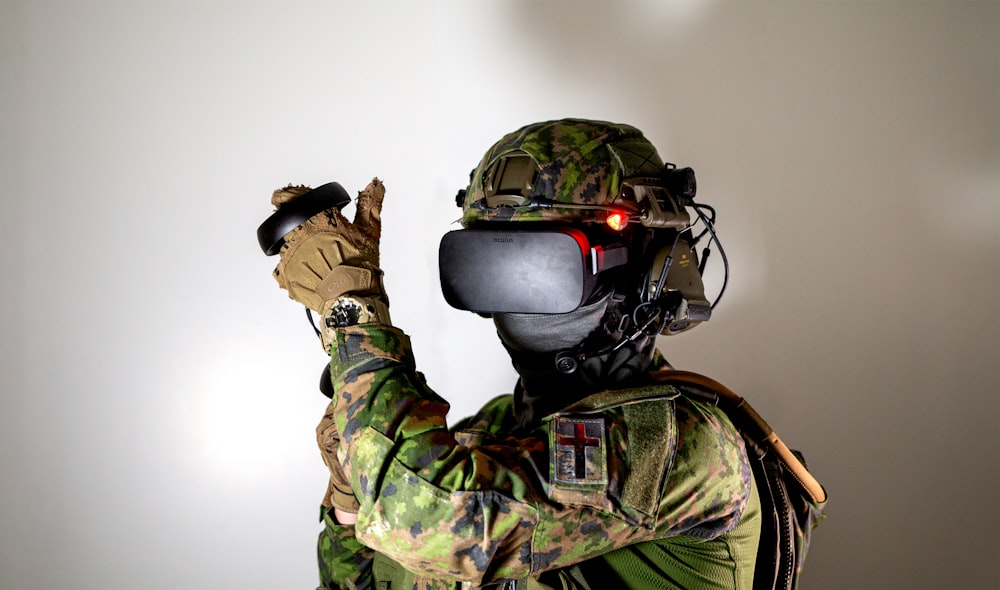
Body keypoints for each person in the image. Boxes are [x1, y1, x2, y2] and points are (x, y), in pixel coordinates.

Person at [257, 119, 825, 590]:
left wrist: (353, 316)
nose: (515, 299)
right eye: (485, 266)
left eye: (545, 267)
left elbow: (438, 521)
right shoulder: (490, 434)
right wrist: (351, 497)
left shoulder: (685, 445)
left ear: (647, 270)